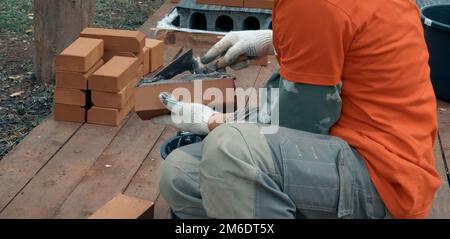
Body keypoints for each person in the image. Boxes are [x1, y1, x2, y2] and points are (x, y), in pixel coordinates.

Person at [153, 0, 441, 219]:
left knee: (230, 149)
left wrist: (212, 121)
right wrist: (274, 40)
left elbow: (298, 122)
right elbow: (348, 36)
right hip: (347, 149)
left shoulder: (309, 6)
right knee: (180, 174)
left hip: (383, 178)